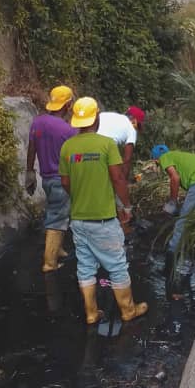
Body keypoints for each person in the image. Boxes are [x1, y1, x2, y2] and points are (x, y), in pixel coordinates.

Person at [59, 97, 147, 324]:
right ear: (96, 117)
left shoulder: (68, 146)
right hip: (104, 220)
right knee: (117, 264)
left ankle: (91, 313)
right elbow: (118, 178)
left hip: (78, 219)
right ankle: (128, 310)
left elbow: (66, 183)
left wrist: (80, 198)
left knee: (86, 266)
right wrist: (125, 206)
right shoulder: (106, 145)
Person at [25, 85, 75, 273]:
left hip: (46, 179)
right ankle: (49, 262)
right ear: (68, 105)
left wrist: (29, 171)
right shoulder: (68, 130)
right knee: (57, 218)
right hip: (61, 180)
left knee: (58, 213)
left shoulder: (37, 122)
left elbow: (31, 147)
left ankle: (59, 249)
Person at [97, 105, 145, 181]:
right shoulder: (131, 129)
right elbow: (127, 159)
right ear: (134, 121)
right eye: (138, 125)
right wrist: (124, 183)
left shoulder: (106, 115)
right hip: (102, 151)